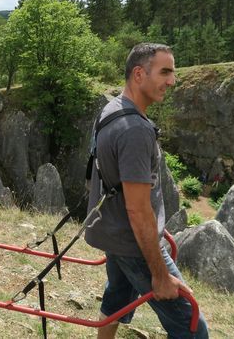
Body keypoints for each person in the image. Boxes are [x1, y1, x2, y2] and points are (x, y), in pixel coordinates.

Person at [84, 43, 208, 338]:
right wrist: (161, 276)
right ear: (139, 74)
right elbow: (137, 209)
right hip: (134, 242)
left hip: (114, 233)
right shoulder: (135, 130)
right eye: (165, 72)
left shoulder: (112, 109)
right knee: (192, 326)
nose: (172, 81)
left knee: (116, 297)